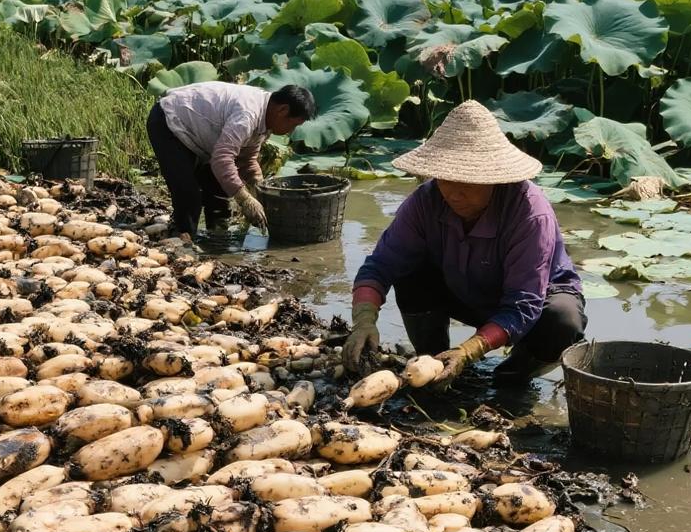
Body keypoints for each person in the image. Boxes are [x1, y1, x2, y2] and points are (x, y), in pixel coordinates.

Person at [342, 100, 586, 386]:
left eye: (467, 183)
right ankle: (432, 362)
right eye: (446, 180)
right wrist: (364, 321)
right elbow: (379, 266)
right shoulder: (426, 200)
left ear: (494, 179)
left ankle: (514, 374)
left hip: (535, 303)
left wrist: (470, 349)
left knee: (562, 321)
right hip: (464, 289)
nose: (454, 193)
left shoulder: (530, 213)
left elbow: (523, 305)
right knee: (409, 273)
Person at [147, 80, 316, 238]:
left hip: (199, 136)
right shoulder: (247, 115)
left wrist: (259, 188)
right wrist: (244, 198)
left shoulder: (265, 118)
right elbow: (222, 159)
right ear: (282, 110)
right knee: (188, 194)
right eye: (293, 124)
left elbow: (247, 160)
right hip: (169, 121)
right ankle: (183, 242)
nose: (291, 131)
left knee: (219, 187)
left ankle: (217, 236)